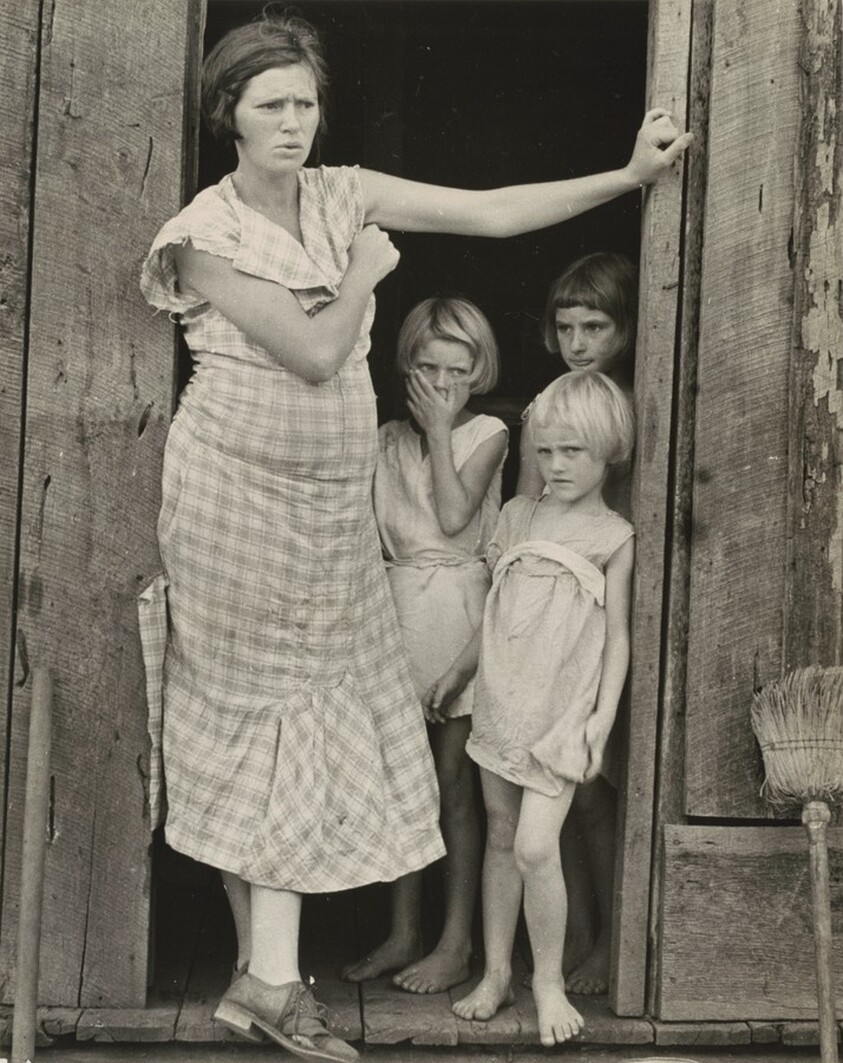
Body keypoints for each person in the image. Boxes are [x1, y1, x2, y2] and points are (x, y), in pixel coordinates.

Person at [138, 9, 689, 1061]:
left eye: (306, 102)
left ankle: (267, 978)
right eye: (272, 106)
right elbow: (309, 349)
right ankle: (270, 978)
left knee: (306, 724)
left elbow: (489, 213)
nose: (294, 122)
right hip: (233, 505)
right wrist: (363, 275)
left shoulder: (343, 192)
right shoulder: (200, 235)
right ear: (229, 116)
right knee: (249, 720)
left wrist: (627, 178)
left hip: (324, 514)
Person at [426, 372, 635, 1045]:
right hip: (501, 698)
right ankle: (494, 972)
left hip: (561, 712)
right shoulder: (515, 516)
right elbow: (493, 608)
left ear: (608, 451)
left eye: (573, 451)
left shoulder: (612, 534)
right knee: (497, 831)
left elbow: (619, 636)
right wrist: (459, 672)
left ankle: (544, 980)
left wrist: (600, 718)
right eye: (545, 451)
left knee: (535, 844)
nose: (556, 465)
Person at [341, 298, 507, 994]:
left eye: (456, 371)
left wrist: (440, 431)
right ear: (404, 367)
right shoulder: (382, 440)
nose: (440, 383)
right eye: (426, 367)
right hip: (395, 616)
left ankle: (455, 941)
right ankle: (404, 930)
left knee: (452, 789)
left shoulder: (488, 433)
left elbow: (450, 514)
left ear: (478, 373)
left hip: (459, 612)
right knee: (401, 789)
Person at [516, 252, 637, 996]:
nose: (578, 342)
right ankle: (586, 935)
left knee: (613, 784)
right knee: (578, 786)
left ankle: (616, 939)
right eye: (565, 327)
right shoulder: (552, 406)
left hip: (625, 593)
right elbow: (530, 510)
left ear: (625, 327)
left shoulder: (630, 398)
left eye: (594, 326)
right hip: (563, 617)